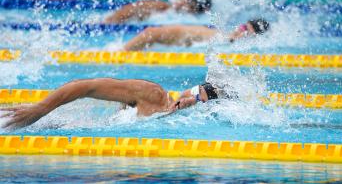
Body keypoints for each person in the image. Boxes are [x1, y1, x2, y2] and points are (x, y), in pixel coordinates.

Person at [1, 78, 222, 129]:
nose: (191, 102)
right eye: (195, 95)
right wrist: (41, 108)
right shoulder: (153, 95)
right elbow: (87, 86)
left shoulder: (173, 121)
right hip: (44, 120)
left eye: (199, 103)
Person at [123, 18, 270, 51]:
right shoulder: (227, 35)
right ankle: (121, 52)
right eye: (243, 26)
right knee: (150, 34)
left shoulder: (230, 38)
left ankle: (120, 53)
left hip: (184, 36)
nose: (241, 30)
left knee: (150, 34)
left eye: (246, 31)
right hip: (182, 34)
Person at [104, 0, 212, 23]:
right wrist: (108, 22)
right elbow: (128, 10)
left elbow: (129, 9)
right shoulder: (162, 7)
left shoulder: (164, 8)